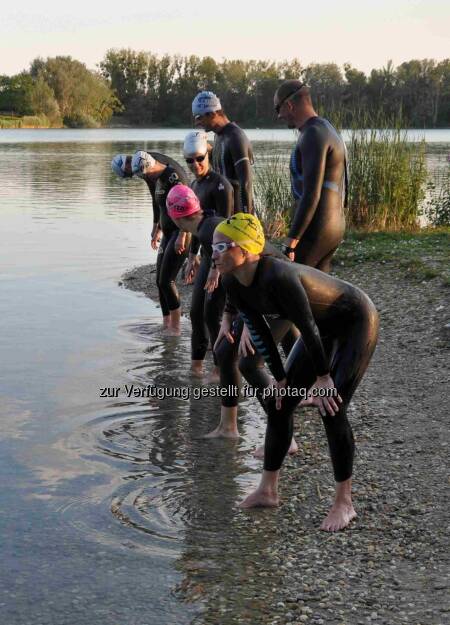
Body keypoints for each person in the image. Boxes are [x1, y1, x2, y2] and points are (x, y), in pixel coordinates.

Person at [212, 213, 378, 532]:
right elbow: (258, 330)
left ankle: (345, 503)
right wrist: (280, 377)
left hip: (355, 321)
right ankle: (267, 490)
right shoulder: (233, 280)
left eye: (221, 246)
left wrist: (323, 378)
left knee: (332, 407)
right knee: (280, 404)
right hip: (323, 329)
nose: (213, 254)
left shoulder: (279, 276)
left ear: (246, 250)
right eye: (211, 246)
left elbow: (308, 327)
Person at [274, 80, 347, 271]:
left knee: (296, 287)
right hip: (333, 224)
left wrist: (292, 239)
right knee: (319, 292)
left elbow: (311, 194)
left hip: (317, 226)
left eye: (278, 108)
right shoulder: (326, 128)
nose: (279, 116)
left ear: (289, 105)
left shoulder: (312, 134)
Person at [182, 131, 234, 377]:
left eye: (199, 158)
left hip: (224, 258)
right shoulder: (194, 185)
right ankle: (196, 366)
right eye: (189, 161)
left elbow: (226, 229)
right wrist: (192, 256)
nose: (195, 165)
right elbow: (196, 226)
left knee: (212, 314)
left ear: (208, 152)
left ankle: (220, 366)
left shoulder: (221, 185)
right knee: (196, 313)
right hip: (206, 255)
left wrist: (216, 268)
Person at [131, 150, 190, 335]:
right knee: (159, 281)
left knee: (167, 280)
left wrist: (183, 234)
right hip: (168, 233)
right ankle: (166, 323)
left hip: (181, 234)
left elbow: (188, 206)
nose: (144, 179)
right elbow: (159, 205)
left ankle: (176, 328)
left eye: (144, 175)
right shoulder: (156, 179)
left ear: (150, 167)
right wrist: (157, 228)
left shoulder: (173, 177)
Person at [192, 91, 254, 214]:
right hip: (223, 213)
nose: (197, 123)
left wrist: (247, 217)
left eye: (199, 117)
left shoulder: (235, 137)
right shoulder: (218, 136)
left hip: (238, 215)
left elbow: (246, 183)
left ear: (212, 113)